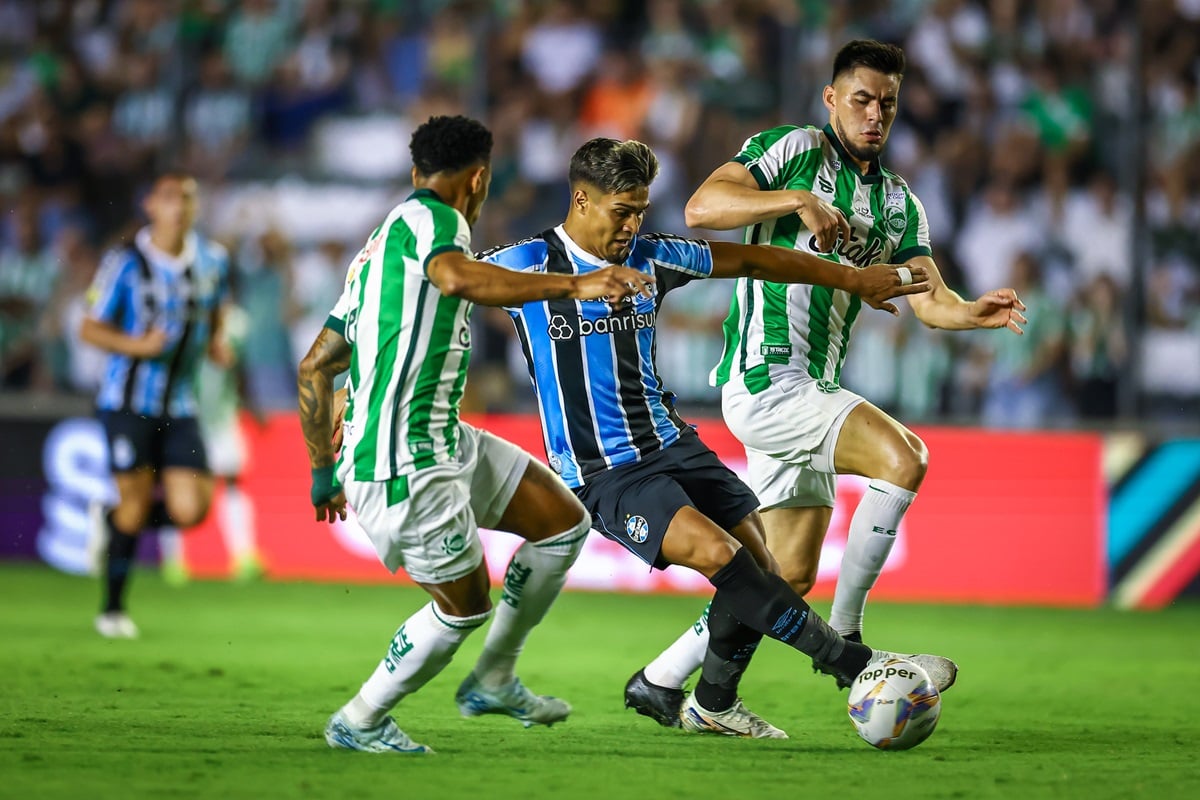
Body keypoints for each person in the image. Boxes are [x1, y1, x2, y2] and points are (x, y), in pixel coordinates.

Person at [478, 136, 954, 739]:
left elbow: (756, 262)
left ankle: (709, 702)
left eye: (641, 210)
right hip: (604, 470)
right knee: (721, 557)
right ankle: (857, 665)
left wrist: (850, 280)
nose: (632, 225)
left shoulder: (653, 257)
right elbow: (444, 284)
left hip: (673, 442)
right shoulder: (526, 262)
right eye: (621, 211)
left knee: (766, 570)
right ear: (580, 199)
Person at [629, 39, 1028, 718]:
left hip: (808, 389)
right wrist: (795, 201)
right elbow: (701, 208)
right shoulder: (796, 150)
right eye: (863, 99)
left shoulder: (900, 203)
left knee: (784, 575)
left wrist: (971, 313)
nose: (875, 114)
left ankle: (668, 685)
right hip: (767, 378)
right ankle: (849, 642)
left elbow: (928, 299)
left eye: (888, 103)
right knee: (905, 456)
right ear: (832, 99)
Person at [297, 115, 657, 754]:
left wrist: (325, 469)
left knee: (564, 522)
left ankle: (494, 677)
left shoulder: (378, 248)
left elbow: (317, 365)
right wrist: (576, 283)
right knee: (464, 606)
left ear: (416, 171)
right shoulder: (438, 223)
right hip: (404, 454)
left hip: (440, 438)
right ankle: (360, 719)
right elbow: (459, 278)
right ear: (480, 178)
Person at [80, 171, 231, 638]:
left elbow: (215, 307)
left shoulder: (213, 259)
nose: (180, 207)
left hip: (181, 405)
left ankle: (111, 519)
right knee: (136, 503)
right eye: (169, 198)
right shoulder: (125, 261)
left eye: (187, 197)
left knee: (192, 510)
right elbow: (89, 328)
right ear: (149, 204)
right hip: (127, 403)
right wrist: (138, 346)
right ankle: (112, 610)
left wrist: (216, 341)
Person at [159, 300, 265, 584]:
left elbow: (236, 365)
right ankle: (174, 560)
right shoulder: (179, 315)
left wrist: (250, 402)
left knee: (231, 481)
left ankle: (243, 556)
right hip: (183, 414)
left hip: (221, 415)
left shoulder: (235, 320)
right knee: (178, 484)